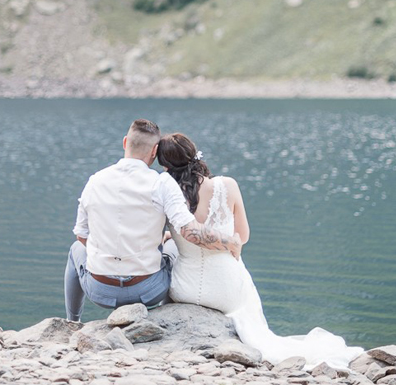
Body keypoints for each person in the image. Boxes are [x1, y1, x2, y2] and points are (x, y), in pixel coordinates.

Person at [157, 132, 365, 370]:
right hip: (226, 294)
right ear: (194, 154)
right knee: (240, 274)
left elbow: (179, 232)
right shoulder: (227, 185)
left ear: (164, 165)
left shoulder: (167, 194)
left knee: (172, 248)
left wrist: (170, 236)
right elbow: (243, 237)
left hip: (184, 289)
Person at [64, 119, 241, 322]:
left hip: (100, 291)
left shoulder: (95, 181)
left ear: (124, 143)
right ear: (154, 151)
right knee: (174, 245)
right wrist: (230, 242)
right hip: (147, 291)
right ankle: (167, 317)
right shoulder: (161, 183)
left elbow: (82, 236)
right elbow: (190, 232)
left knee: (75, 250)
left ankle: (72, 321)